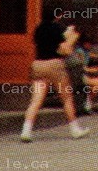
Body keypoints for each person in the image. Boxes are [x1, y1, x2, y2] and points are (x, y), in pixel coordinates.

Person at [21, 7, 88, 142]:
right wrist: (71, 36)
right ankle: (75, 129)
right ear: (57, 16)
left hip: (38, 65)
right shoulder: (58, 29)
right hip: (55, 65)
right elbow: (65, 51)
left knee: (36, 100)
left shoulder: (38, 29)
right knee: (67, 98)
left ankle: (26, 130)